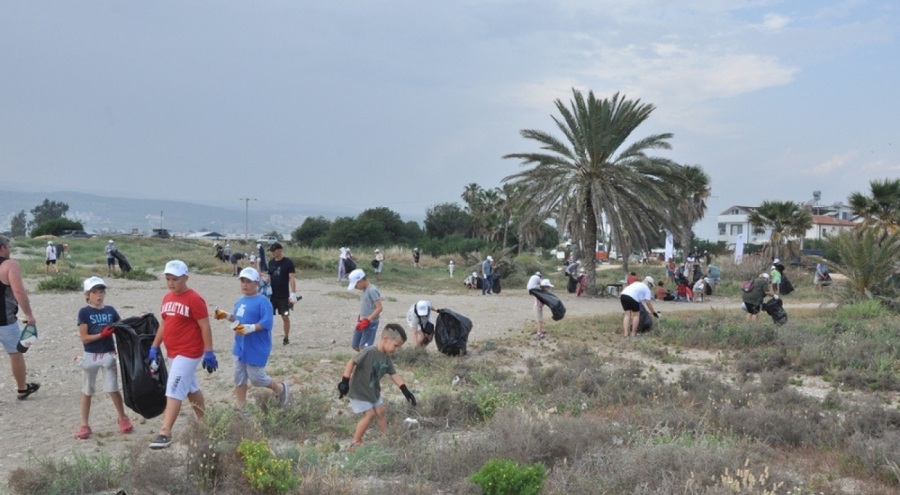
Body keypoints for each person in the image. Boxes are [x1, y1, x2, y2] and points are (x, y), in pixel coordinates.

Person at [147, 260, 218, 449]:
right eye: (168, 279)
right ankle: (205, 422)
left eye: (175, 279)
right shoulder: (167, 298)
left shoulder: (194, 299)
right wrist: (155, 346)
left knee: (174, 386)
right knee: (190, 387)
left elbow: (204, 325)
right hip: (173, 351)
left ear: (185, 278)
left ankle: (165, 431)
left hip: (189, 351)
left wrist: (208, 351)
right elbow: (164, 324)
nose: (171, 283)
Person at [213, 267, 289, 410]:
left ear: (257, 283)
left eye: (248, 281)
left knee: (256, 378)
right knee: (239, 377)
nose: (245, 285)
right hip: (240, 346)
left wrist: (250, 328)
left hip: (257, 346)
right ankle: (241, 407)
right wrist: (225, 315)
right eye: (242, 281)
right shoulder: (240, 301)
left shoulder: (263, 301)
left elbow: (267, 322)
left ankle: (280, 388)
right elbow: (238, 319)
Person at [336, 323, 416, 451]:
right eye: (396, 346)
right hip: (359, 391)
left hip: (373, 392)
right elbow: (351, 362)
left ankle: (385, 438)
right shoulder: (369, 352)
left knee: (381, 411)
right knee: (369, 414)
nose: (396, 350)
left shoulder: (386, 358)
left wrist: (405, 391)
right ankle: (355, 442)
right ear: (385, 339)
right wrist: (344, 381)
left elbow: (394, 374)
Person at [75, 276, 133, 439]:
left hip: (108, 354)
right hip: (91, 355)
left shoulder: (111, 311)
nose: (99, 295)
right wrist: (102, 335)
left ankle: (122, 418)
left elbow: (122, 329)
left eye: (101, 292)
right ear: (87, 294)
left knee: (112, 388)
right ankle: (84, 424)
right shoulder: (84, 312)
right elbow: (84, 338)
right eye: (95, 292)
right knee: (87, 390)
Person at [0, 236, 40, 400]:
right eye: (8, 246)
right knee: (15, 353)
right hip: (5, 321)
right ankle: (22, 389)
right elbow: (18, 291)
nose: (9, 249)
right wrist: (29, 314)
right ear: (2, 248)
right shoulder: (9, 265)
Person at [266, 242, 298, 346]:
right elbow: (268, 276)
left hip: (283, 296)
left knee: (285, 316)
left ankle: (286, 337)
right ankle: (266, 338)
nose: (272, 253)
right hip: (271, 295)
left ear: (279, 250)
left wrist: (293, 293)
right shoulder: (271, 263)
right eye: (271, 251)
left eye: (273, 251)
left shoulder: (288, 262)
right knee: (267, 316)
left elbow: (292, 278)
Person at [347, 268, 382, 352]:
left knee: (364, 347)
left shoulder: (372, 290)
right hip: (362, 321)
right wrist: (361, 317)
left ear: (361, 280)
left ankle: (365, 362)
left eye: (355, 285)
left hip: (371, 323)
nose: (355, 287)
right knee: (355, 345)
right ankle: (365, 358)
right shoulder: (364, 290)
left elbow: (379, 308)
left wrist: (367, 320)